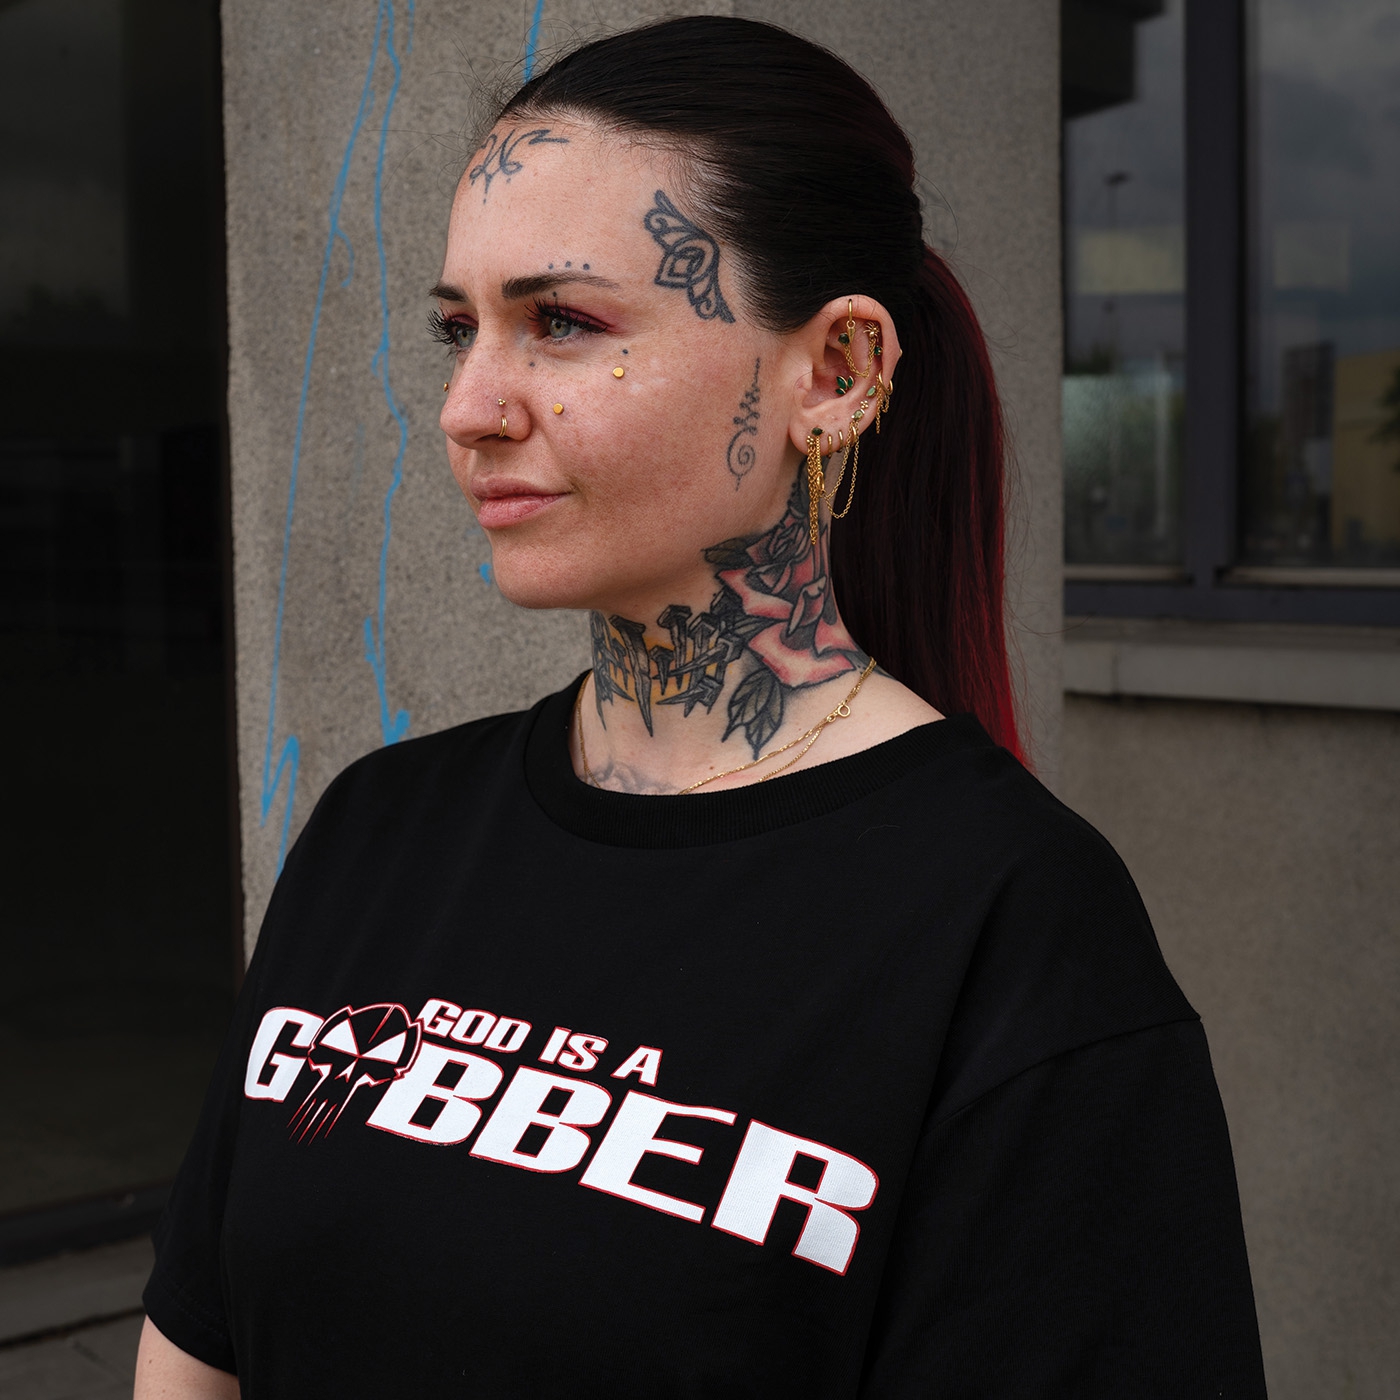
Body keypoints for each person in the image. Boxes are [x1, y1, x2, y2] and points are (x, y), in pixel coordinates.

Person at [135, 16, 1267, 1397]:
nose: (468, 407)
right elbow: (194, 1356)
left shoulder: (1011, 927)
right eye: (458, 329)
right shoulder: (382, 833)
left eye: (562, 323)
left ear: (836, 374)